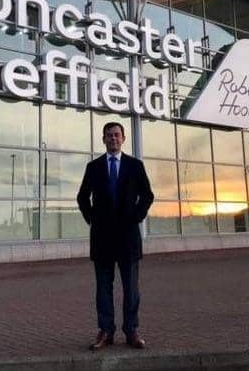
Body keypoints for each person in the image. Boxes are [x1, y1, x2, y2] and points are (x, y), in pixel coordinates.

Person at [77, 122, 154, 350]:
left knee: (131, 288)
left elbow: (147, 195)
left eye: (117, 135)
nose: (113, 139)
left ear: (123, 138)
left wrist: (137, 217)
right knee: (103, 288)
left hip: (128, 238)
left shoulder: (135, 166)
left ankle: (131, 331)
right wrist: (92, 219)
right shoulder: (94, 167)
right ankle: (106, 331)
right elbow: (82, 197)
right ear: (103, 139)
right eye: (109, 135)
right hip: (102, 239)